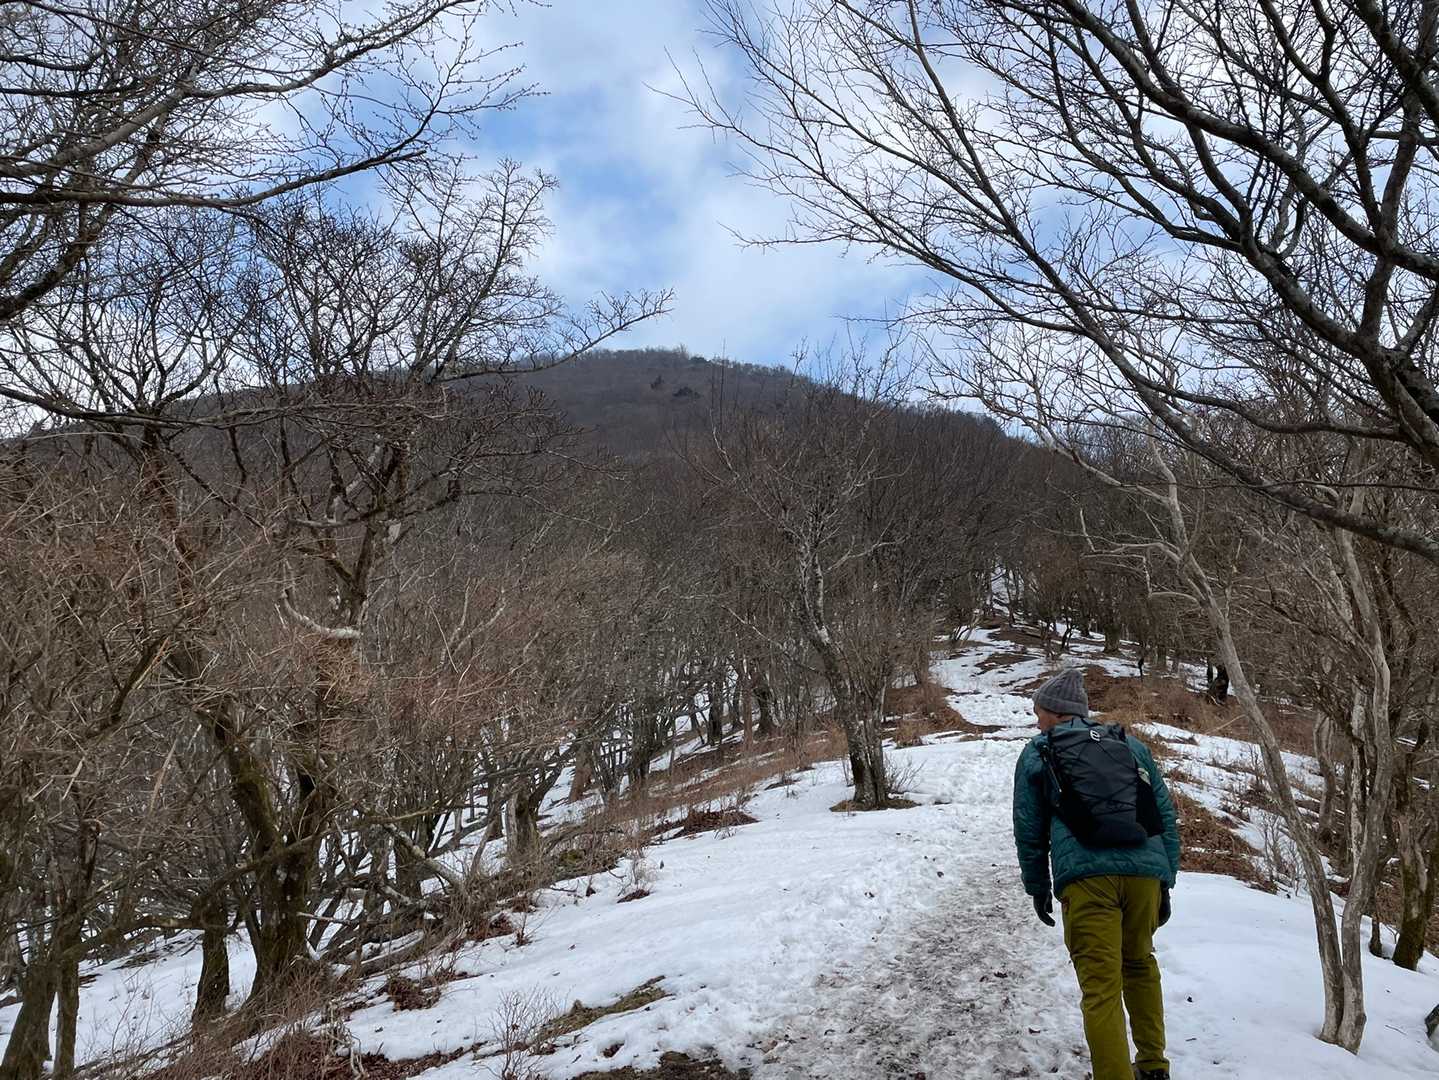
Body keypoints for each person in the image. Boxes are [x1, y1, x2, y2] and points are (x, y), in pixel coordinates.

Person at [1012, 667, 1180, 1080]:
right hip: (1144, 876)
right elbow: (1164, 816)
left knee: (1101, 987)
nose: (1036, 721)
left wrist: (1038, 886)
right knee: (1139, 965)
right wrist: (1165, 880)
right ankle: (1154, 1066)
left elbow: (1029, 828)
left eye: (1038, 712)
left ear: (1055, 712)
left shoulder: (1039, 751)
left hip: (1087, 880)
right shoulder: (1130, 746)